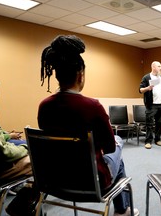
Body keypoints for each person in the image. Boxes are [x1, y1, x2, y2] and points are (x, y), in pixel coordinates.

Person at [38, 35, 139, 216]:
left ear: (57, 75)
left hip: (56, 178)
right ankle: (122, 210)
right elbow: (108, 147)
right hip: (92, 181)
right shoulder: (93, 106)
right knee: (117, 144)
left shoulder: (44, 106)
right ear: (80, 75)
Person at [139, 61, 161, 149]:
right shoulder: (146, 77)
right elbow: (140, 90)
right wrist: (148, 88)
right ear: (153, 67)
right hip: (151, 105)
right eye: (159, 66)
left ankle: (157, 139)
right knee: (149, 124)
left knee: (159, 123)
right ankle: (148, 141)